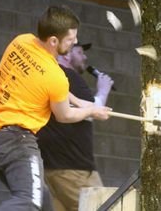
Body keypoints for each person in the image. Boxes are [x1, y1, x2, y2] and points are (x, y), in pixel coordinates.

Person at [0, 5, 111, 211]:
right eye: (70, 39)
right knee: (30, 201)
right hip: (16, 143)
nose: (75, 42)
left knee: (45, 202)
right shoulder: (55, 75)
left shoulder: (20, 42)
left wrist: (83, 103)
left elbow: (47, 86)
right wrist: (92, 111)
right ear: (53, 41)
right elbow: (64, 115)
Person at [37, 43, 114, 211]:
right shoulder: (69, 76)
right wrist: (103, 90)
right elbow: (93, 111)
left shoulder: (50, 77)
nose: (85, 57)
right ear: (65, 54)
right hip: (74, 168)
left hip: (51, 168)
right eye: (79, 52)